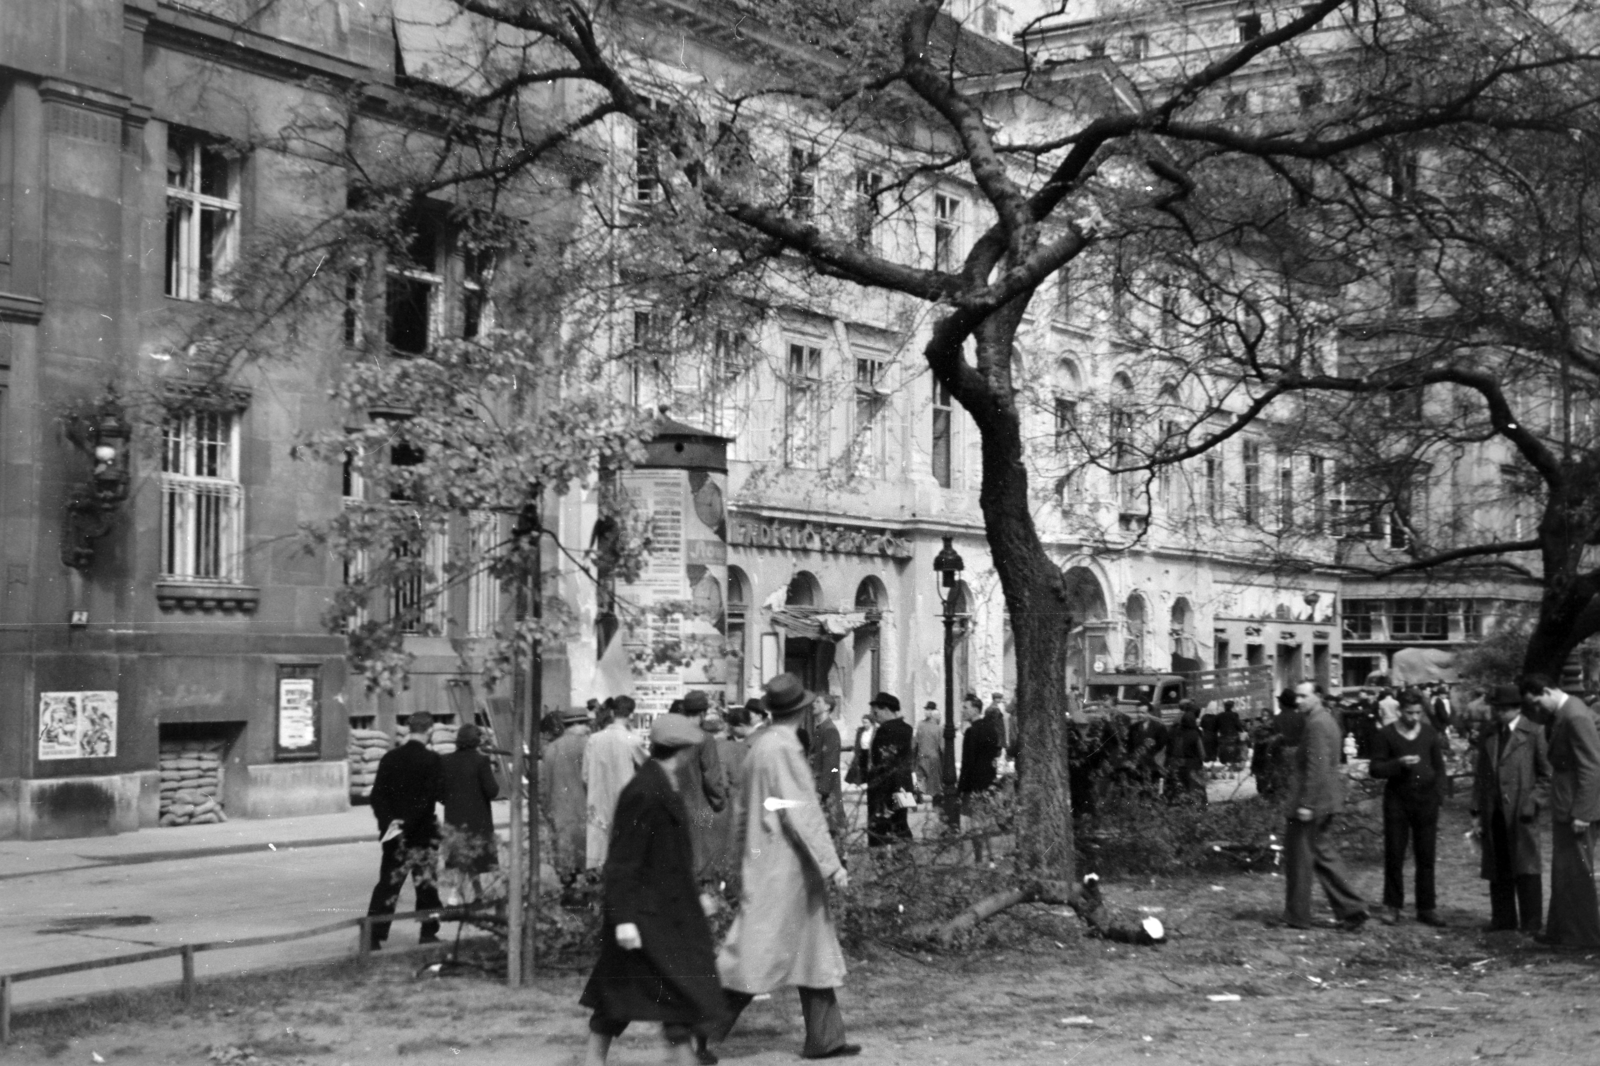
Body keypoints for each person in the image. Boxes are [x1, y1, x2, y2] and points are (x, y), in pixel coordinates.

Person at [713, 673, 858, 1060]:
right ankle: (700, 1035)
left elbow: (742, 814)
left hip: (768, 864)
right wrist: (831, 864)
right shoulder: (784, 749)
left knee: (809, 952)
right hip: (787, 868)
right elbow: (803, 812)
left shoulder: (758, 747)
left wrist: (738, 862)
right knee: (754, 956)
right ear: (803, 710)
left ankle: (826, 1038)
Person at [579, 714, 729, 1066]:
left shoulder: (662, 781)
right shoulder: (644, 790)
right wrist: (625, 919)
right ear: (683, 749)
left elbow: (669, 854)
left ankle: (672, 1057)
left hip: (667, 909)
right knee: (635, 989)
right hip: (646, 913)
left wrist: (695, 894)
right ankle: (598, 1060)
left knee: (659, 989)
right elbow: (622, 860)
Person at [1520, 674, 1600, 948]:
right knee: (1563, 871)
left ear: (1545, 691)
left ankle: (1584, 937)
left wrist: (1583, 813)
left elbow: (1591, 767)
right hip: (1566, 804)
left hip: (1576, 808)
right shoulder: (1563, 713)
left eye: (1537, 703)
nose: (1537, 711)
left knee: (1577, 873)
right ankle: (1560, 929)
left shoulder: (1575, 715)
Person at [1282, 681, 1369, 931]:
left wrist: (1307, 803)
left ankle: (1299, 915)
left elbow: (1317, 767)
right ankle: (1352, 909)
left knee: (1301, 860)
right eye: (1296, 696)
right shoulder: (1325, 719)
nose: (1298, 701)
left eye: (1303, 696)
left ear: (1317, 697)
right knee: (1322, 855)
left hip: (1313, 803)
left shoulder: (1318, 724)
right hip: (1326, 800)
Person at [1470, 683, 1550, 934]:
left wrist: (1533, 802)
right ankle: (1503, 919)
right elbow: (1481, 775)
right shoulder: (1491, 733)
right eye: (1495, 709)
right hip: (1494, 810)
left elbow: (1547, 775)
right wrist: (1476, 812)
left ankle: (1531, 924)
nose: (1497, 714)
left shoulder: (1534, 732)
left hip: (1521, 812)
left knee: (1526, 867)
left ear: (1515, 709)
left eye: (1502, 709)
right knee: (1498, 866)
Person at [1368, 689, 1448, 926]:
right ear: (1400, 710)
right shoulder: (1386, 735)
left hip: (1426, 801)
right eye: (1409, 712)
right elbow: (1375, 768)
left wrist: (1439, 795)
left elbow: (1439, 767)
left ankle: (1427, 907)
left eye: (1418, 713)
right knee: (1394, 854)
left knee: (1426, 856)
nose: (1414, 717)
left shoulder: (1429, 732)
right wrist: (1398, 764)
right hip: (1397, 802)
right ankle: (1392, 905)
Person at [366, 711, 445, 948]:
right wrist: (410, 822)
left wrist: (390, 822)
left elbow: (377, 796)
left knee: (388, 885)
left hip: (395, 834)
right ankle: (428, 931)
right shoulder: (433, 760)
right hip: (422, 832)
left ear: (409, 729)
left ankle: (373, 935)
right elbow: (434, 796)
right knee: (426, 884)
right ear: (430, 730)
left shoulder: (389, 758)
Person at [672, 690, 728, 887]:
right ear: (703, 713)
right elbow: (712, 776)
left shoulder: (670, 736)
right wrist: (720, 802)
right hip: (698, 805)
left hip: (670, 804)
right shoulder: (704, 739)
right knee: (700, 858)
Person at [584, 696, 647, 870]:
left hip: (597, 801)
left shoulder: (593, 740)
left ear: (611, 712)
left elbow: (585, 776)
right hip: (625, 801)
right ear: (631, 715)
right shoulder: (633, 740)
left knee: (598, 853)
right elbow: (648, 769)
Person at [438, 722, 501, 888]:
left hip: (454, 818)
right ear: (476, 740)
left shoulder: (446, 760)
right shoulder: (481, 761)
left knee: (460, 858)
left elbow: (439, 791)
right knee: (476, 858)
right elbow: (492, 791)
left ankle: (465, 894)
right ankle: (465, 896)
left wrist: (451, 802)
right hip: (477, 818)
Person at [541, 707, 592, 893]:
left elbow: (544, 784)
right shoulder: (588, 744)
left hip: (558, 809)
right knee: (587, 855)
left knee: (565, 855)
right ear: (582, 724)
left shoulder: (551, 748)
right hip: (583, 808)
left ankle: (568, 894)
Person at [865, 692, 914, 847]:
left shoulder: (885, 730)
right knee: (901, 823)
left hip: (885, 787)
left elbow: (880, 761)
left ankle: (882, 863)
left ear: (886, 709)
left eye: (876, 711)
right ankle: (903, 859)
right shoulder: (907, 729)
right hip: (904, 785)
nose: (874, 715)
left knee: (880, 825)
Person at [958, 698, 1002, 863]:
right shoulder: (991, 729)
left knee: (975, 825)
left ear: (976, 710)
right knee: (988, 822)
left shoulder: (971, 732)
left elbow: (967, 762)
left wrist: (960, 788)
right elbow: (995, 753)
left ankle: (978, 859)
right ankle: (992, 858)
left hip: (974, 783)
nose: (963, 710)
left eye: (966, 707)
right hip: (988, 781)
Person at [810, 694, 844, 839]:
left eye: (818, 701)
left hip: (826, 790)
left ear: (827, 707)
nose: (813, 704)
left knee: (830, 830)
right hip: (820, 786)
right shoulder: (820, 729)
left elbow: (832, 764)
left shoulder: (829, 730)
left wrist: (821, 790)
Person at [1168, 707, 1208, 806]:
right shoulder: (1195, 734)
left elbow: (1175, 750)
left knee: (1183, 790)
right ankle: (1200, 810)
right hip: (1194, 766)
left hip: (1180, 766)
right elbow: (1202, 754)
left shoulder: (1177, 733)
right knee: (1197, 790)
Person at [913, 702, 944, 801]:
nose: (926, 711)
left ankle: (919, 793)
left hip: (921, 755)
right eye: (926, 709)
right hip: (933, 757)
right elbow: (942, 747)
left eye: (928, 709)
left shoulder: (920, 724)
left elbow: (915, 742)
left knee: (920, 777)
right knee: (933, 780)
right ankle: (935, 799)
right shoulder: (939, 728)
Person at [1216, 699, 1244, 770]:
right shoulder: (1234, 715)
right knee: (1238, 748)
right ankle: (1234, 765)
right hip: (1233, 737)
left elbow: (1217, 726)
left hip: (1223, 737)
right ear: (1232, 707)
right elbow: (1238, 726)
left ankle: (1225, 764)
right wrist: (1241, 729)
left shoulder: (1219, 716)